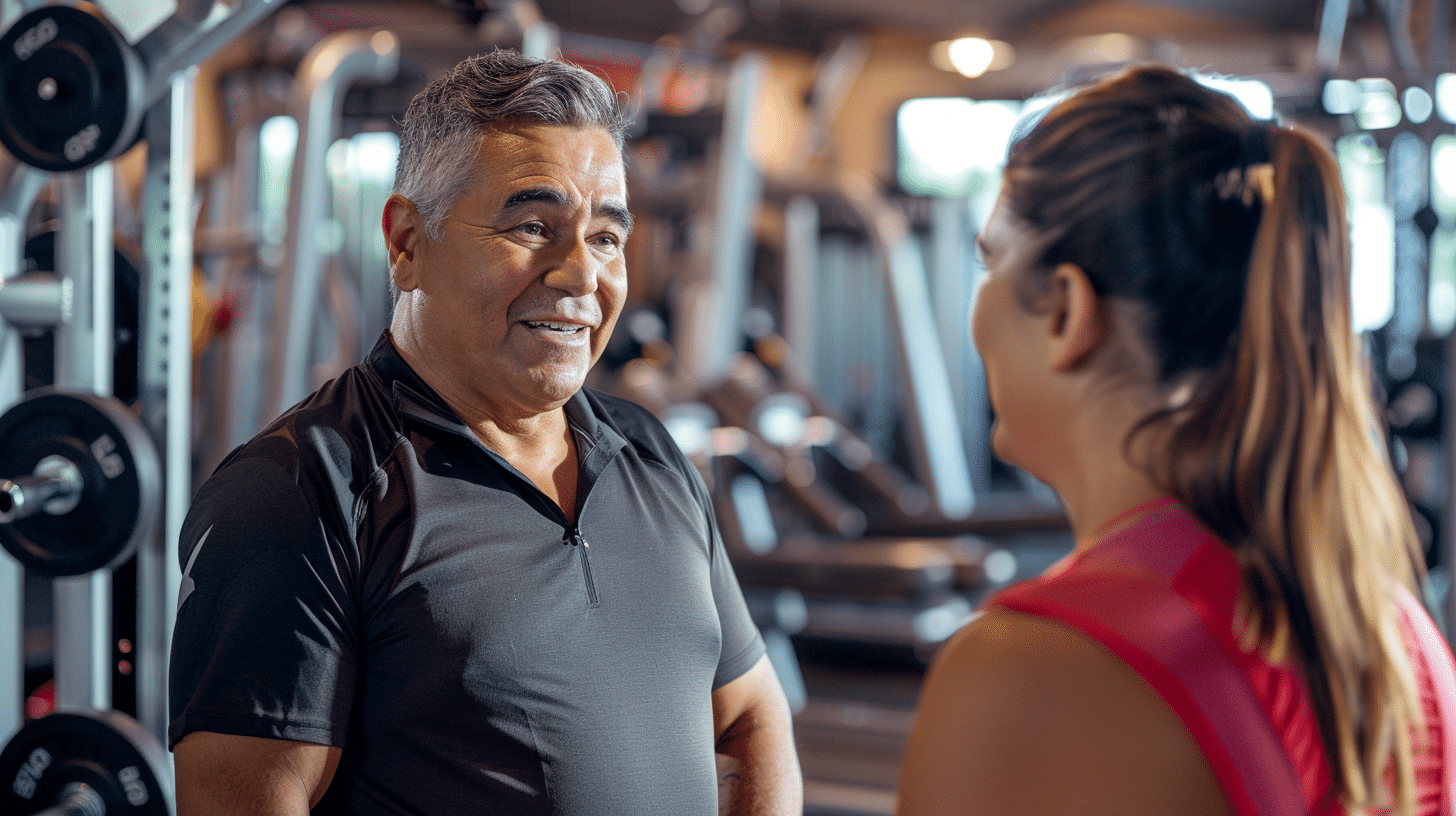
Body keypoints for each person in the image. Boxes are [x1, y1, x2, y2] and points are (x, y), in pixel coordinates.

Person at [168, 49, 801, 816]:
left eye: (606, 237)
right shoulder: (298, 493)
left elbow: (746, 717)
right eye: (534, 226)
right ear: (406, 243)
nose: (580, 274)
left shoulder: (650, 455)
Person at [897, 65, 1456, 816]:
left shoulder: (1026, 671)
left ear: (1065, 310)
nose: (978, 307)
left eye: (989, 262)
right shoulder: (1396, 637)